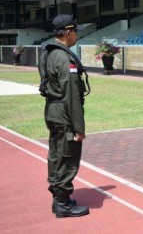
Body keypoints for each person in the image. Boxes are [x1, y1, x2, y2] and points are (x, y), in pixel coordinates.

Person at [38, 14, 90, 218]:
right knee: (67, 157)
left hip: (53, 110)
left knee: (56, 155)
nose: (77, 35)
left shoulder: (48, 53)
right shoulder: (63, 57)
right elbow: (71, 95)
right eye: (75, 31)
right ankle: (62, 203)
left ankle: (59, 198)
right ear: (68, 32)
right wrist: (79, 127)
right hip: (64, 114)